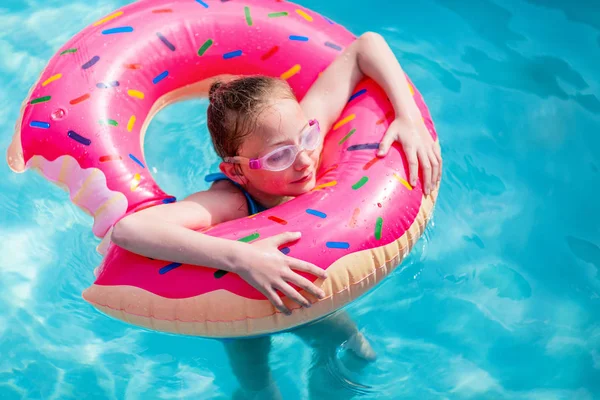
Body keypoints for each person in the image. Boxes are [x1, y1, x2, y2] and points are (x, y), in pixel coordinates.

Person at [111, 31, 441, 399]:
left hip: (301, 288)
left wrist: (407, 117)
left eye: (308, 138)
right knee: (259, 384)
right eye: (279, 157)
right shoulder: (230, 201)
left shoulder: (296, 138)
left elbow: (368, 45)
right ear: (237, 171)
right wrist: (241, 257)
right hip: (238, 304)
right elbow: (128, 230)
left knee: (358, 349)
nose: (303, 160)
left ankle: (326, 378)